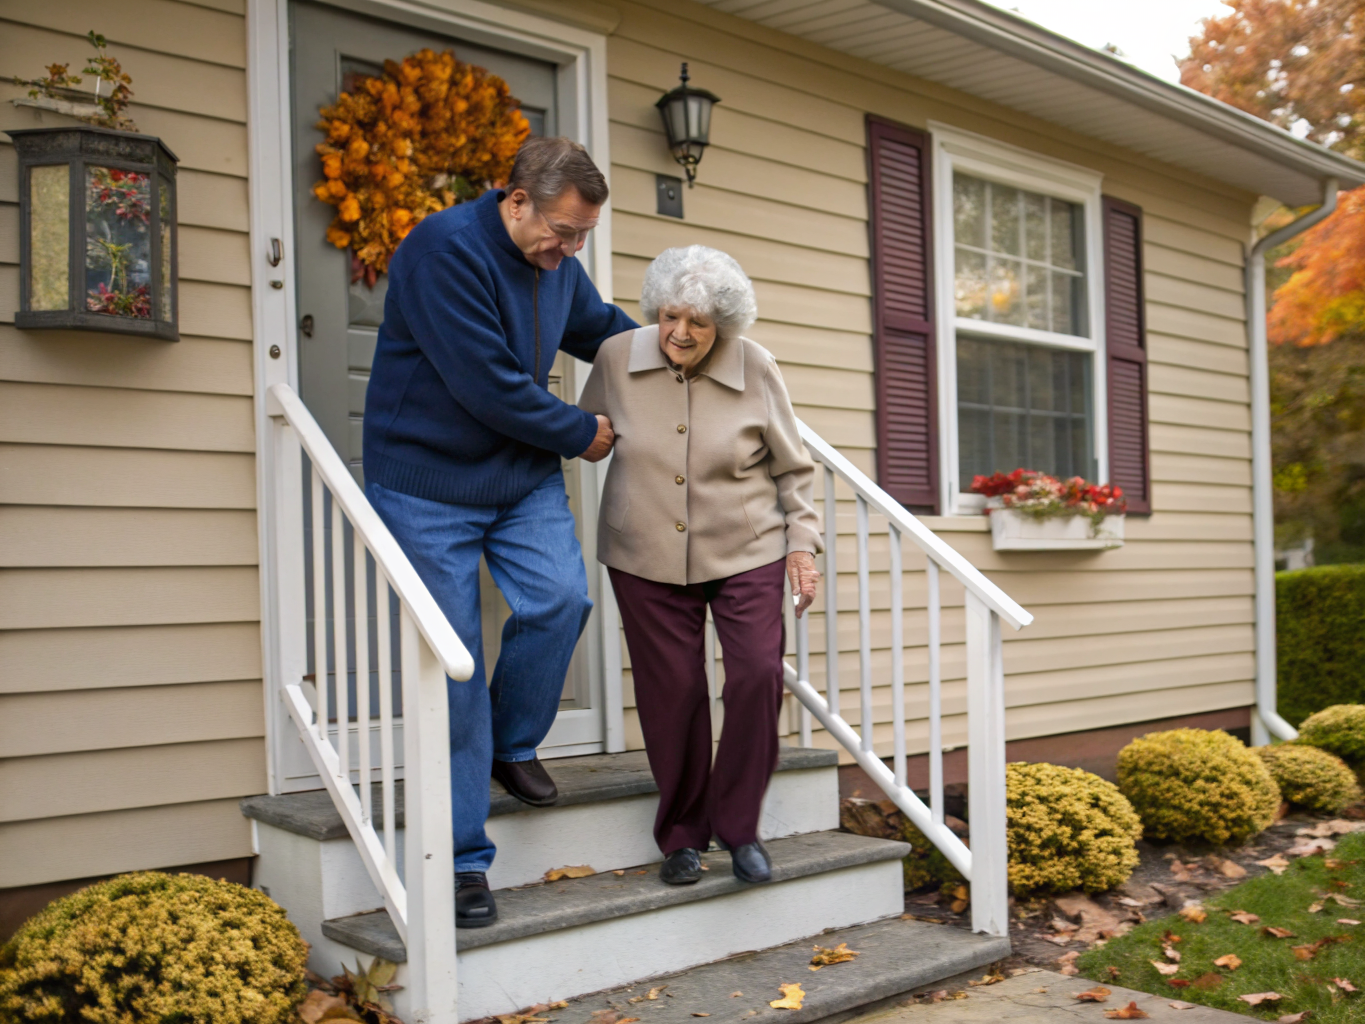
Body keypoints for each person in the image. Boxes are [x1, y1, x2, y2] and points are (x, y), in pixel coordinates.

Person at [362, 137, 636, 927]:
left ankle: (510, 743)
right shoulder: (442, 251)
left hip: (517, 477)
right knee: (453, 672)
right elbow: (488, 385)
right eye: (562, 231)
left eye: (582, 236)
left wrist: (680, 349)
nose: (569, 249)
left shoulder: (554, 263)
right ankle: (460, 863)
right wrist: (580, 432)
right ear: (515, 200)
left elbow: (603, 330)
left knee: (560, 601)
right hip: (425, 484)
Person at [578, 246, 822, 886]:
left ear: (725, 325)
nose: (680, 333)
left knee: (756, 674)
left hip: (746, 546)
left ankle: (739, 828)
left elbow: (794, 468)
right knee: (673, 691)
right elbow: (587, 433)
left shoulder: (755, 365)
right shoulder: (615, 358)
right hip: (643, 550)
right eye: (670, 316)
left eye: (699, 323)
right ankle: (682, 837)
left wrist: (802, 544)